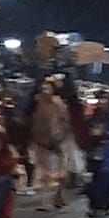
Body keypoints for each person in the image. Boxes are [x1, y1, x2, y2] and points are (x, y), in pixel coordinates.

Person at [30, 80, 70, 209]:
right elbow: (36, 123)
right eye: (43, 88)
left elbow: (64, 122)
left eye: (47, 88)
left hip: (57, 142)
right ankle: (47, 201)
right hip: (42, 142)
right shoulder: (38, 104)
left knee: (58, 172)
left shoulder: (58, 104)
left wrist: (60, 137)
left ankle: (57, 197)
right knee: (44, 173)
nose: (45, 91)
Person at [84, 98, 109, 217]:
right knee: (95, 181)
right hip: (96, 152)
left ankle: (106, 206)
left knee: (108, 181)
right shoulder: (94, 117)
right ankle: (94, 206)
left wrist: (104, 133)